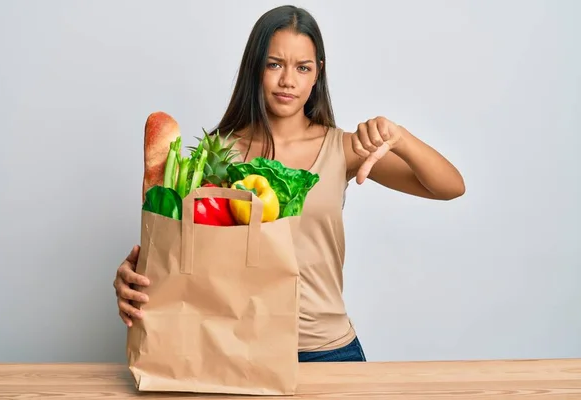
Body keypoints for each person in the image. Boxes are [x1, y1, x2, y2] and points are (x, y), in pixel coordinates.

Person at [113, 5, 465, 363]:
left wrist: (401, 137)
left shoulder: (343, 148)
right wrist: (135, 276)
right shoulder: (217, 155)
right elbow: (187, 259)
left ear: (317, 74)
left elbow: (450, 186)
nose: (288, 81)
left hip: (329, 351)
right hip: (238, 353)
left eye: (303, 67)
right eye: (274, 64)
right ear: (255, 68)